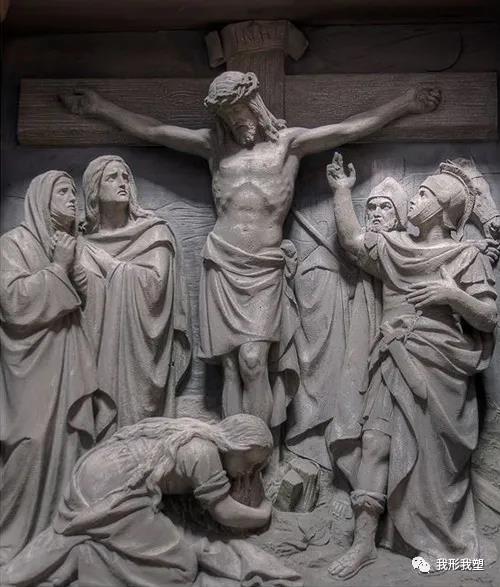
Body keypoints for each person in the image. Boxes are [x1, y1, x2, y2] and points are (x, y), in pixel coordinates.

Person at [61, 72, 441, 427]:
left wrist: (406, 103)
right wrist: (99, 107)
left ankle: (258, 450)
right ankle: (236, 457)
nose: (235, 122)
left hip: (263, 266)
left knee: (253, 360)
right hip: (221, 262)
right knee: (229, 369)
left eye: (238, 111)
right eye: (226, 116)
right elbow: (155, 130)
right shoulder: (214, 146)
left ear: (255, 105)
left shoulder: (288, 145)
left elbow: (348, 128)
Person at [326, 153, 497, 579]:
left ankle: (445, 546)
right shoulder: (394, 248)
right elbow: (352, 241)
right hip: (393, 359)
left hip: (441, 372)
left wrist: (452, 296)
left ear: (443, 206)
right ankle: (363, 544)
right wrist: (342, 191)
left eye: (423, 194)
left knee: (434, 466)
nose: (414, 200)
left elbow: (488, 316)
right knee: (376, 443)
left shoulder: (466, 256)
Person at [2, 415, 303, 587]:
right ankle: (88, 559)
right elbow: (224, 512)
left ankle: (90, 549)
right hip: (114, 490)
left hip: (93, 472)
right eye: (251, 464)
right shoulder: (204, 454)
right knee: (181, 568)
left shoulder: (196, 433)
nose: (250, 473)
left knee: (169, 546)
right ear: (237, 446)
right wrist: (264, 513)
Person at [0, 171, 114, 564]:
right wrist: (57, 268)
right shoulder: (13, 243)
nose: (72, 198)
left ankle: (61, 534)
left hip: (69, 365)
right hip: (30, 367)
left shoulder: (72, 246)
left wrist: (76, 270)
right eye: (63, 191)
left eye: (73, 192)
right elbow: (13, 302)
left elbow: (91, 300)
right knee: (29, 446)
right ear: (40, 199)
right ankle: (12, 536)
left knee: (71, 443)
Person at [78, 155, 191, 426]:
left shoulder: (154, 232)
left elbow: (155, 286)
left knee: (140, 424)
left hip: (142, 350)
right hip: (96, 348)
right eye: (112, 177)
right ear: (94, 189)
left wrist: (110, 266)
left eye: (126, 177)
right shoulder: (82, 243)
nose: (122, 183)